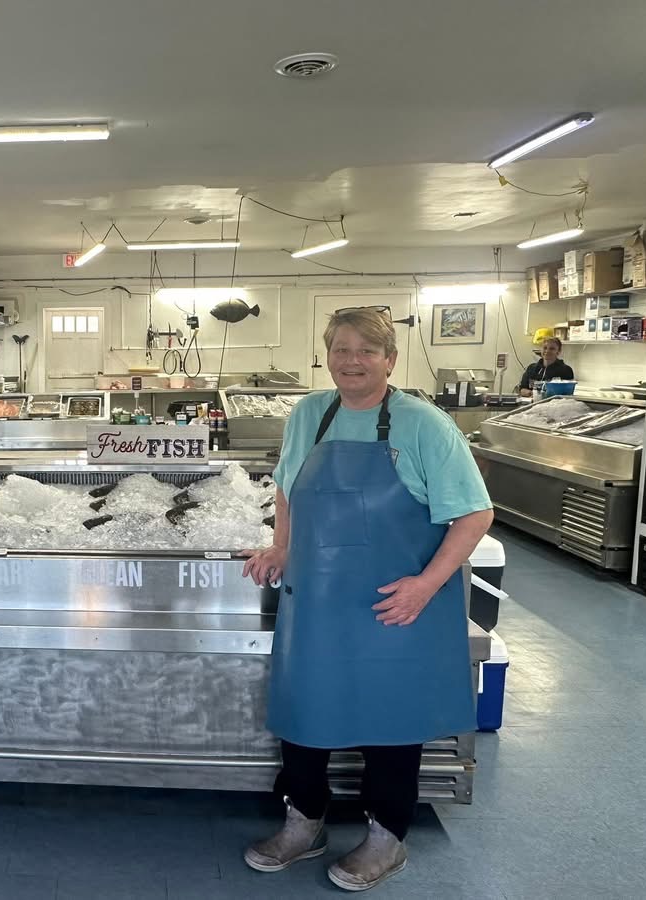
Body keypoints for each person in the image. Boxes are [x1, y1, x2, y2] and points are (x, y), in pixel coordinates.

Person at [241, 307, 493, 892]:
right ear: (327, 355)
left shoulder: (424, 424)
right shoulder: (309, 413)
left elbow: (475, 514)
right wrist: (282, 546)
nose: (352, 361)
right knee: (305, 713)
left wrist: (425, 585)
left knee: (392, 721)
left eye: (366, 351)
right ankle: (303, 823)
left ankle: (387, 838)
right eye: (341, 350)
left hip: (392, 604)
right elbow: (287, 488)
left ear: (390, 360)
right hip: (318, 602)